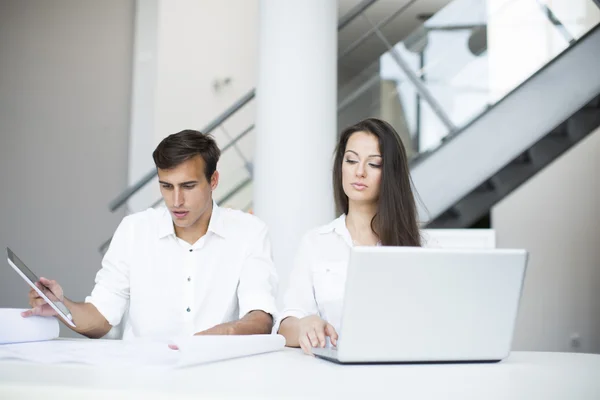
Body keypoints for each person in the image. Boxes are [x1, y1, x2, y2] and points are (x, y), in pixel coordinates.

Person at [22, 130, 277, 340]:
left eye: (188, 186)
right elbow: (100, 318)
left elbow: (260, 317)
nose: (176, 200)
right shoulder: (134, 230)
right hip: (144, 380)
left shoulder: (249, 232)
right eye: (166, 186)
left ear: (213, 181)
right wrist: (60, 306)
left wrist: (220, 335)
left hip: (218, 378)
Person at [276, 118, 421, 355]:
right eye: (351, 160)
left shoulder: (420, 246)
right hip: (332, 377)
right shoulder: (316, 242)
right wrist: (305, 324)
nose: (359, 171)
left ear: (391, 174)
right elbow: (286, 325)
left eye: (374, 164)